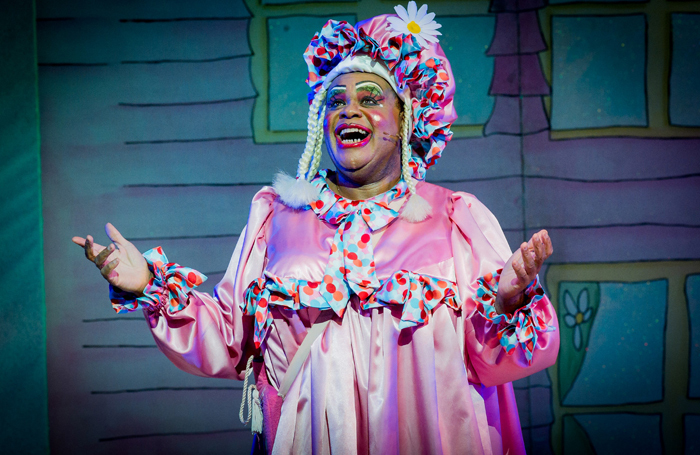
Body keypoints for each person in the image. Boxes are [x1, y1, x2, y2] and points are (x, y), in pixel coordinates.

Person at [73, 2, 558, 454]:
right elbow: (227, 340)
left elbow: (496, 361)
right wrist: (147, 287)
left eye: (371, 98)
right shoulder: (277, 216)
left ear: (409, 118)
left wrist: (508, 301)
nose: (349, 110)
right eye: (336, 100)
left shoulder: (454, 217)